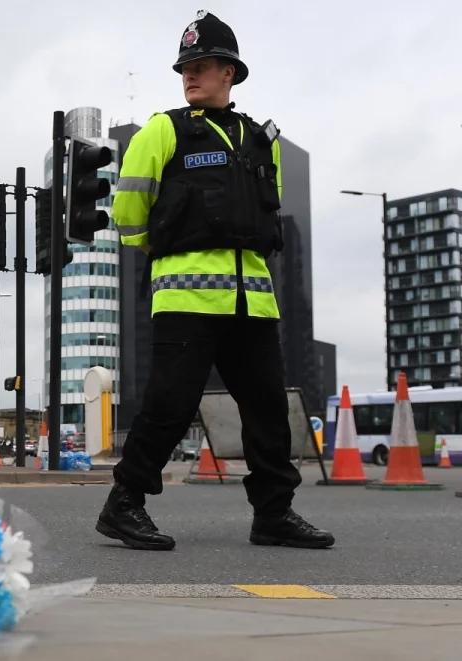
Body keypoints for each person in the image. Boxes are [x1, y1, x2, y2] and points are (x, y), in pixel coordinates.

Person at [98, 11, 333, 550]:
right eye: (185, 68)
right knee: (169, 405)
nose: (189, 76)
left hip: (252, 299)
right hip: (185, 295)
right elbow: (128, 209)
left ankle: (274, 513)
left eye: (201, 66)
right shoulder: (165, 128)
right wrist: (148, 248)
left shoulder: (259, 138)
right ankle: (124, 503)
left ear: (229, 72)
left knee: (268, 408)